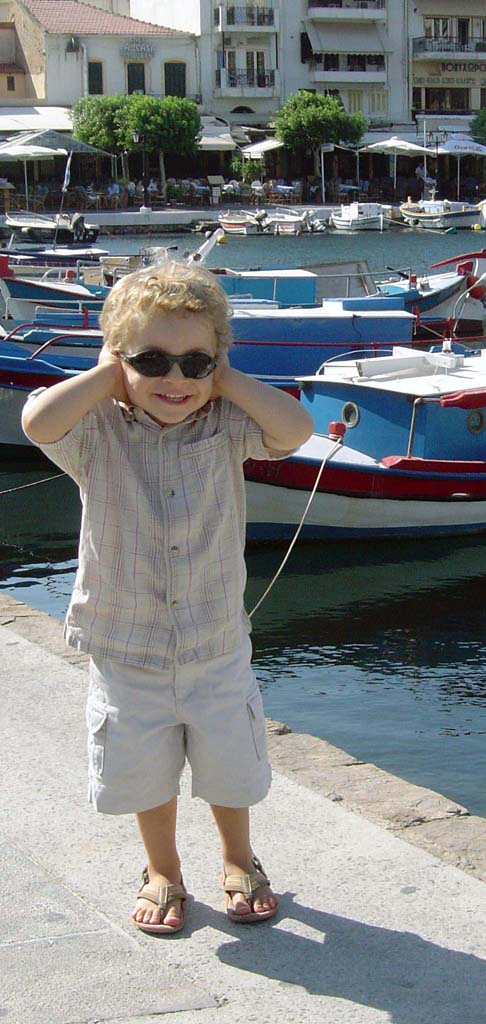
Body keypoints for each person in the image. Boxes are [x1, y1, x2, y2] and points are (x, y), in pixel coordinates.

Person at [21, 260, 314, 936]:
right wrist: (109, 372)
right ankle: (163, 870)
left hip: (214, 643)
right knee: (143, 772)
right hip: (126, 648)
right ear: (118, 358)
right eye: (151, 360)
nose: (174, 379)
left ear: (216, 362)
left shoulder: (225, 424)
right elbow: (38, 422)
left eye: (194, 362)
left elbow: (294, 430)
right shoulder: (96, 432)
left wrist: (226, 379)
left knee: (229, 765)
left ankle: (238, 859)